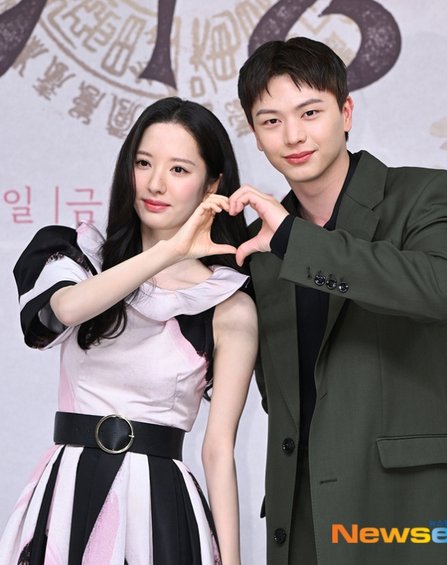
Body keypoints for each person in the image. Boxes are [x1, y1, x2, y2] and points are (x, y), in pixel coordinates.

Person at [228, 36, 447, 565]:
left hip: (413, 518)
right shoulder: (260, 249)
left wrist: (294, 241)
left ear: (345, 112)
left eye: (310, 112)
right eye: (271, 121)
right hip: (303, 522)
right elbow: (280, 396)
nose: (293, 135)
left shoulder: (425, 195)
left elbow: (440, 288)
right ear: (255, 134)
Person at [0, 97, 257, 565]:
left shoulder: (229, 304)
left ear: (212, 185)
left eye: (179, 169)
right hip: (69, 493)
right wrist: (168, 252)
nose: (156, 183)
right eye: (143, 163)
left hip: (159, 505)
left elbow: (219, 449)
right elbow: (64, 309)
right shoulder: (79, 258)